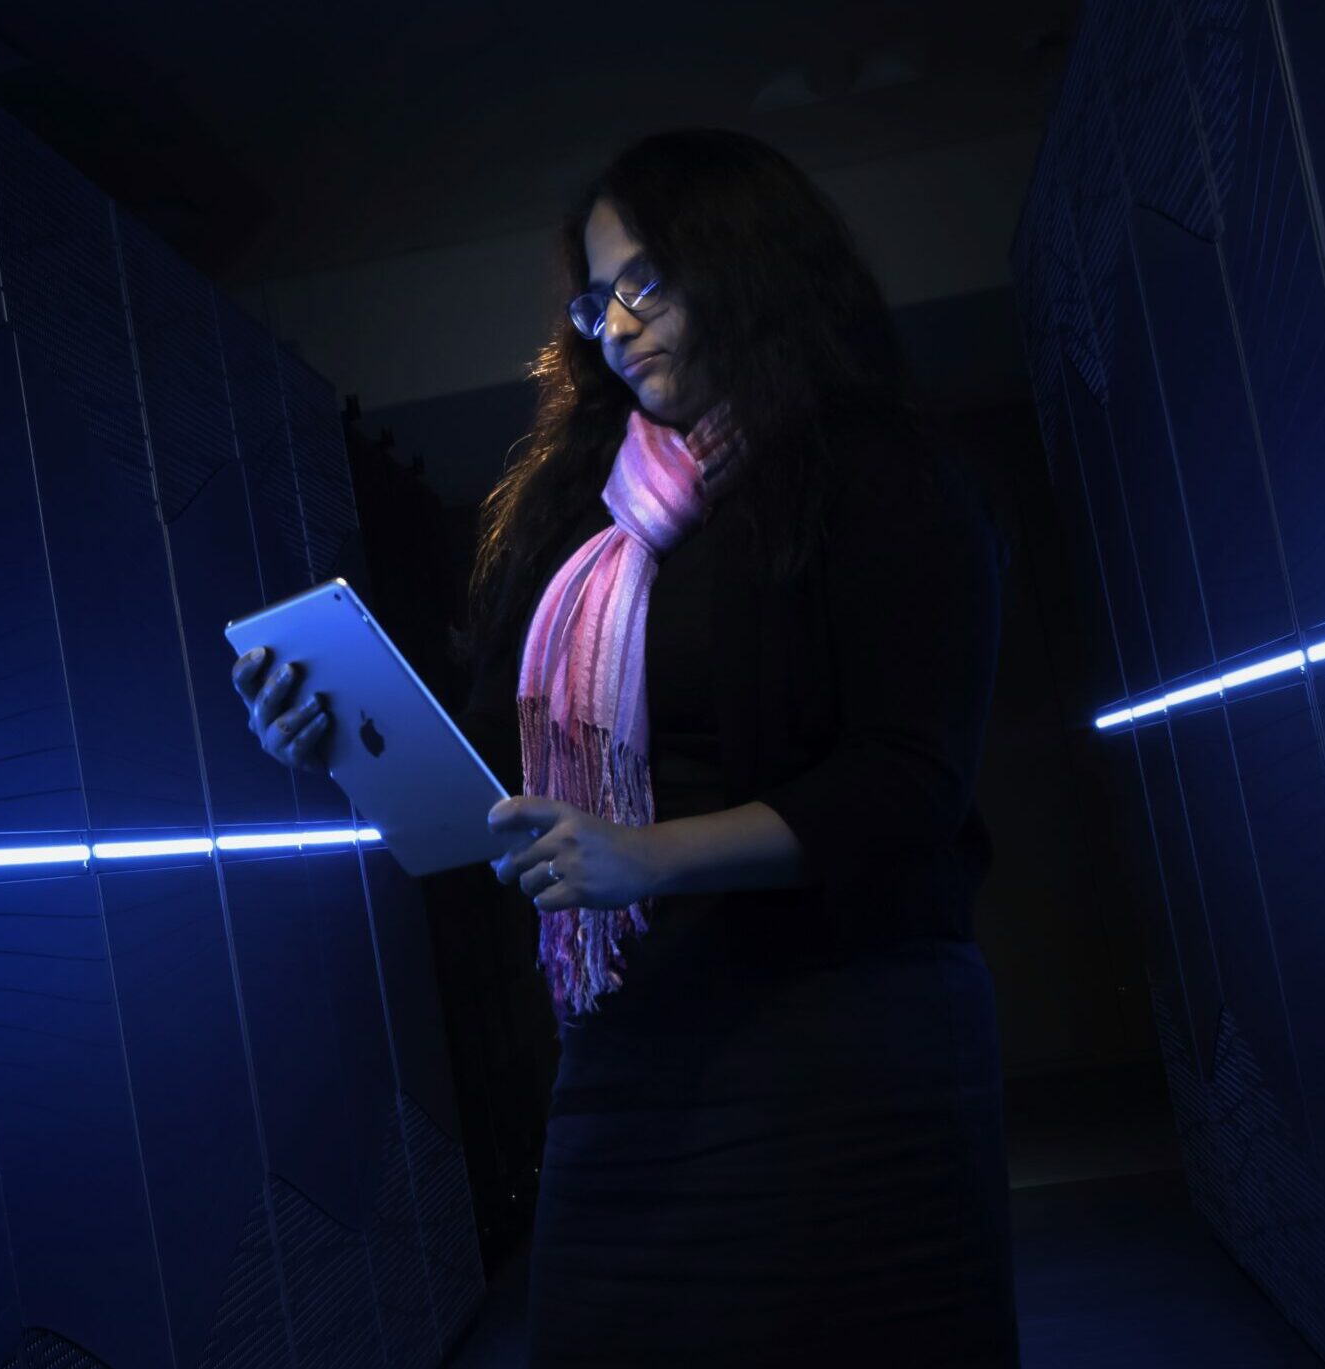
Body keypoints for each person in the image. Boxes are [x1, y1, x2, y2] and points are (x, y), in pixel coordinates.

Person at [229, 128, 1016, 1365]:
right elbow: (496, 762)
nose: (617, 325)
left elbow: (909, 782)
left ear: (747, 261)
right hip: (629, 1038)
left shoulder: (881, 472)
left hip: (845, 1044)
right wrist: (327, 739)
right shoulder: (578, 513)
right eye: (597, 300)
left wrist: (645, 859)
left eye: (646, 281)